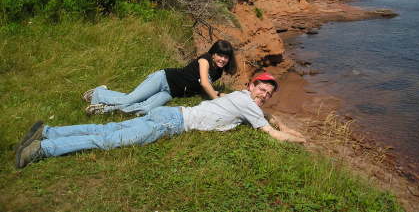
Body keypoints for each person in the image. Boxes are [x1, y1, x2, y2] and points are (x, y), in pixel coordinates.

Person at [15, 73, 306, 169]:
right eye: (262, 90)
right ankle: (44, 149)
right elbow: (273, 134)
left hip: (169, 115)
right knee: (108, 140)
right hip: (169, 124)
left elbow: (263, 115)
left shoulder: (241, 96)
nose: (264, 96)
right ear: (252, 86)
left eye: (268, 94)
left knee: (107, 129)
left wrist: (276, 117)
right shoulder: (248, 103)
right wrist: (303, 139)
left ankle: (48, 131)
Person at [84, 40, 237, 115]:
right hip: (163, 79)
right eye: (219, 55)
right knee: (130, 99)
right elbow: (204, 83)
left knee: (145, 108)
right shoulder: (205, 60)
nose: (222, 59)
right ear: (213, 53)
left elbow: (206, 88)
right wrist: (218, 103)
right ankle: (100, 100)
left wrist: (226, 97)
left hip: (170, 92)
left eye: (226, 57)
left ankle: (102, 101)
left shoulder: (218, 71)